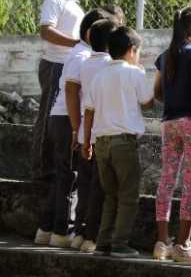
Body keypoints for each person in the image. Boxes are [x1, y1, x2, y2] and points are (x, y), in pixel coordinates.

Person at [34, 8, 108, 247]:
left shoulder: (81, 53)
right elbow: (71, 90)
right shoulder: (83, 55)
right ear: (91, 33)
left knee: (62, 176)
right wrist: (77, 129)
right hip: (67, 119)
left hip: (63, 118)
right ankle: (61, 231)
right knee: (70, 177)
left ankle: (46, 228)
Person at [82, 26, 155, 258]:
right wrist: (145, 76)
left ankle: (103, 241)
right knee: (128, 196)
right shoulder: (135, 73)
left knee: (110, 195)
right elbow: (147, 103)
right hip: (124, 142)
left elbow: (89, 111)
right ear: (132, 50)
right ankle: (120, 243)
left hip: (101, 142)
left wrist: (87, 142)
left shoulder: (99, 75)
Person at [152, 7, 191, 263]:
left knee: (166, 178)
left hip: (169, 121)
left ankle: (161, 241)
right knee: (190, 181)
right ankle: (183, 243)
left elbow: (157, 92)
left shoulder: (165, 56)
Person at [32, 0, 86, 180]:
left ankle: (55, 168)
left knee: (62, 120)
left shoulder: (71, 3)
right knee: (47, 118)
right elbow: (46, 31)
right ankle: (41, 169)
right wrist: (76, 43)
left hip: (69, 67)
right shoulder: (54, 1)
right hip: (55, 66)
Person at [75, 18, 119, 253]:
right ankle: (92, 236)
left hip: (85, 131)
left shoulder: (85, 63)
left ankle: (80, 233)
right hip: (101, 133)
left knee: (84, 187)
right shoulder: (109, 65)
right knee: (99, 190)